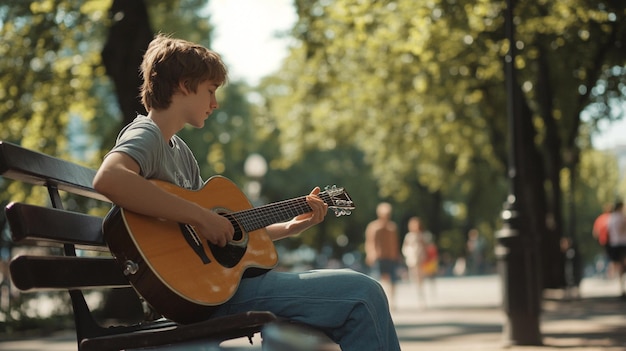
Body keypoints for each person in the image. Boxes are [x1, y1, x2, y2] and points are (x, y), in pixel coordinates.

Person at [93, 34, 400, 351]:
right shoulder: (147, 133)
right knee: (364, 294)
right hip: (204, 296)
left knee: (352, 299)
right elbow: (110, 178)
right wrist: (201, 216)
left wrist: (293, 226)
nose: (215, 103)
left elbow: (223, 232)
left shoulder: (181, 153)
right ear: (185, 85)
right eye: (210, 91)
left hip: (214, 289)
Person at [365, 202, 400, 309]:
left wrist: (396, 255)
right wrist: (370, 254)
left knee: (393, 281)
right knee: (377, 281)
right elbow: (370, 242)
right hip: (378, 258)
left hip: (390, 257)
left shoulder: (392, 227)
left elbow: (395, 242)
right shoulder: (373, 227)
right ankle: (378, 301)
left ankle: (392, 302)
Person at [401, 216, 435, 308]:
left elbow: (428, 247)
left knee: (422, 278)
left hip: (422, 260)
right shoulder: (409, 236)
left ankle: (423, 297)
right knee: (416, 278)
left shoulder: (424, 235)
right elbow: (405, 248)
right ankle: (420, 297)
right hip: (413, 260)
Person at [607, 201, 626, 298]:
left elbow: (609, 230)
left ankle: (620, 284)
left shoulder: (611, 217)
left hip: (614, 243)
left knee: (618, 264)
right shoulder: (621, 217)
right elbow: (622, 229)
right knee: (622, 264)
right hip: (622, 243)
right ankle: (621, 284)